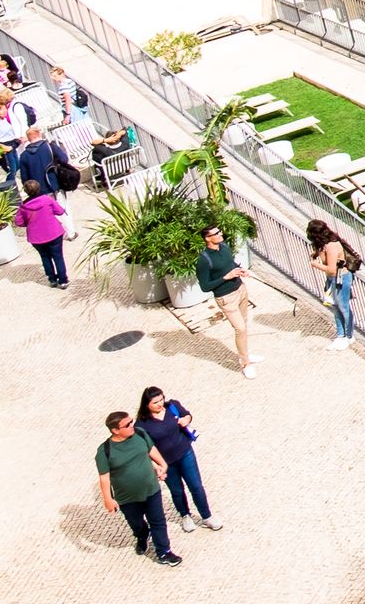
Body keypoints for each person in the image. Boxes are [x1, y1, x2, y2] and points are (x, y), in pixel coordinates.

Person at [96, 411, 182, 567]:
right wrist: (108, 499)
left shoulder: (140, 434)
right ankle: (142, 535)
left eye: (132, 421)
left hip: (151, 489)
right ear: (115, 430)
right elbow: (104, 477)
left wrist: (162, 466)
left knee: (158, 521)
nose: (132, 425)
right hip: (127, 498)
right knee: (135, 523)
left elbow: (151, 450)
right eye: (127, 424)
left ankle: (164, 552)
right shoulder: (104, 451)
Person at [134, 386, 220, 534]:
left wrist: (185, 420)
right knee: (177, 491)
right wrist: (157, 466)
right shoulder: (142, 424)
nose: (160, 404)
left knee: (196, 486)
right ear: (147, 404)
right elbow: (145, 448)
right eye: (155, 402)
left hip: (185, 453)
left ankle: (206, 516)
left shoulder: (172, 406)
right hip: (166, 462)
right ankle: (185, 515)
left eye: (161, 399)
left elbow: (187, 415)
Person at [195, 224, 258, 378]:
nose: (221, 233)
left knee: (243, 325)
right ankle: (245, 363)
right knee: (240, 329)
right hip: (225, 298)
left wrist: (239, 270)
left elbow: (231, 264)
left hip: (240, 290)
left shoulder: (224, 246)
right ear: (207, 238)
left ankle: (246, 355)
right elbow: (205, 287)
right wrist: (226, 277)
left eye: (220, 231)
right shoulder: (204, 260)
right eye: (216, 233)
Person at [306, 219, 360, 350]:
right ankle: (340, 335)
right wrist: (316, 253)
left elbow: (331, 269)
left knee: (343, 307)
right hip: (332, 279)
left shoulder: (332, 246)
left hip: (341, 278)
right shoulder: (322, 246)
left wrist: (315, 265)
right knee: (336, 308)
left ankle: (349, 335)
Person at [11, 179, 68, 288]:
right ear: (39, 188)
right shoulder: (47, 199)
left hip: (36, 237)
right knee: (58, 257)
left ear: (26, 192)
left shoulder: (23, 206)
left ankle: (52, 279)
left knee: (45, 257)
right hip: (53, 233)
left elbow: (18, 222)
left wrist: (29, 223)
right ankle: (63, 280)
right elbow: (60, 211)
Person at [13, 125, 67, 197]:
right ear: (39, 135)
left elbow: (25, 178)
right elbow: (64, 160)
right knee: (60, 207)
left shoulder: (23, 156)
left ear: (29, 139)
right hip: (55, 185)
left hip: (38, 192)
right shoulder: (51, 147)